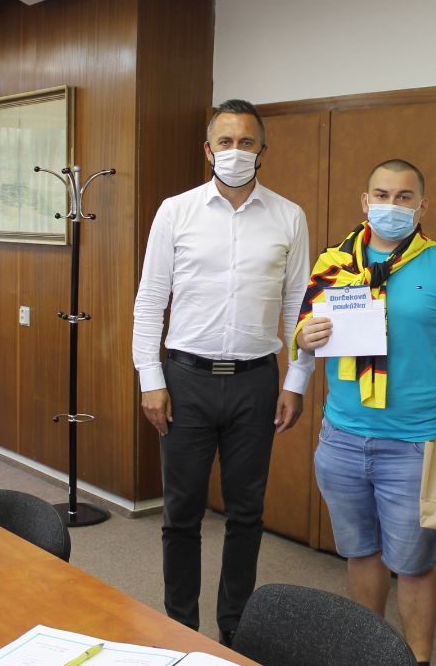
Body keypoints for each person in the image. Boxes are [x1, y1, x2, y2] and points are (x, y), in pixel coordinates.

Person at [293, 159, 436, 666]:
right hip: (342, 437)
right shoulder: (334, 261)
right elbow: (304, 332)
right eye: (381, 195)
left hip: (414, 443)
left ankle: (417, 659)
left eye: (404, 197)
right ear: (365, 201)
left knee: (414, 563)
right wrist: (305, 336)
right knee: (360, 553)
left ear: (422, 206)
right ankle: (371, 653)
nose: (391, 205)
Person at [132, 98, 313, 644]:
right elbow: (150, 300)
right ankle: (179, 626)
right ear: (208, 150)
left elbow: (298, 306)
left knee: (247, 514)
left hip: (257, 381)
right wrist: (150, 379)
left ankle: (234, 629)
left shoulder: (289, 216)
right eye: (226, 141)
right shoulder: (175, 211)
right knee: (181, 514)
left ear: (263, 150)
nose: (236, 151)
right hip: (185, 379)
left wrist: (296, 381)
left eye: (247, 142)